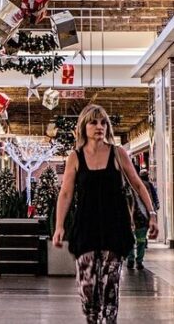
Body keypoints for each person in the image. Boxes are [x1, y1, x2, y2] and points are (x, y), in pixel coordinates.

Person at [53, 104, 158, 324]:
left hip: (114, 227)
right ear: (84, 126)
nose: (99, 126)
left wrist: (152, 214)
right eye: (93, 122)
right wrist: (59, 226)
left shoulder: (118, 153)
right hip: (86, 228)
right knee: (88, 290)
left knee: (111, 287)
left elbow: (138, 185)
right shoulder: (75, 157)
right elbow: (66, 193)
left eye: (103, 122)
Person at [126, 168, 160, 270]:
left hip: (136, 217)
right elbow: (154, 199)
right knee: (140, 240)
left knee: (133, 240)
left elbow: (151, 199)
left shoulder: (136, 186)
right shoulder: (146, 185)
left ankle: (132, 260)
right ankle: (137, 260)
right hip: (141, 217)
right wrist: (153, 213)